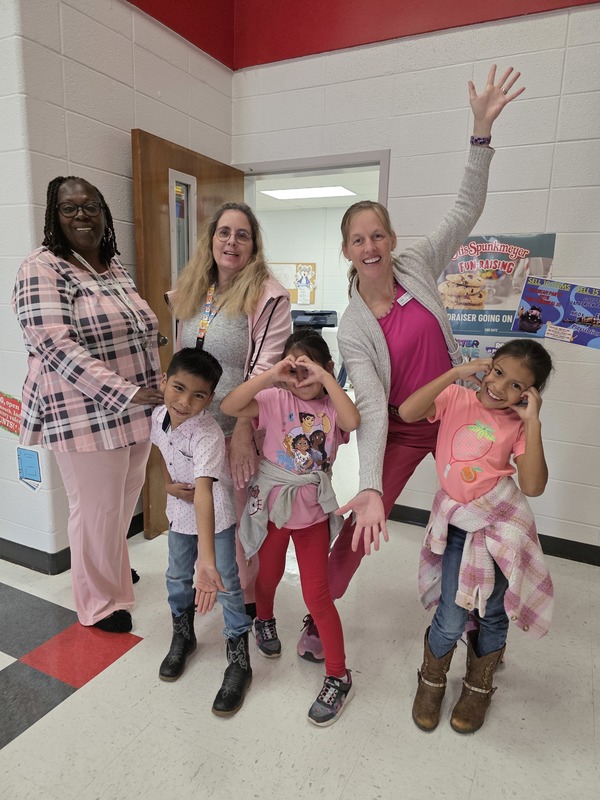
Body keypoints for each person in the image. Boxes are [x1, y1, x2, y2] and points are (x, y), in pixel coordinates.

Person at [296, 65, 527, 661]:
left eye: (379, 235)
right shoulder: (352, 327)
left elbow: (466, 208)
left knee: (480, 517)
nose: (370, 247)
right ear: (345, 250)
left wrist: (480, 132)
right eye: (358, 240)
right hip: (399, 426)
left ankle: (475, 617)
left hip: (457, 416)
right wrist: (370, 486)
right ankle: (317, 615)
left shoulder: (419, 266)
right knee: (360, 525)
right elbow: (372, 407)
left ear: (392, 240)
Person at [12, 176, 163, 633]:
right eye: (69, 207)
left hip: (137, 408)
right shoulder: (43, 266)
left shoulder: (111, 265)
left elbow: (134, 327)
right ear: (52, 216)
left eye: (91, 206)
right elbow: (53, 345)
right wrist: (127, 392)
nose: (82, 215)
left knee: (122, 501)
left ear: (105, 213)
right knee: (95, 509)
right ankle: (99, 602)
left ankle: (110, 569)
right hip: (82, 411)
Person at [398, 339, 554, 733]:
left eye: (518, 385)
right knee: (450, 616)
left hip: (500, 530)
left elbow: (533, 486)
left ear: (530, 394)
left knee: (493, 613)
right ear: (488, 365)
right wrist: (454, 373)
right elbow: (408, 411)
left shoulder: (519, 425)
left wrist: (533, 422)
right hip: (457, 528)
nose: (500, 387)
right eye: (499, 372)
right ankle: (431, 678)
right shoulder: (455, 396)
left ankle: (477, 686)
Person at [221, 329, 360, 726]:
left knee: (317, 596)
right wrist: (272, 375)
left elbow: (352, 419)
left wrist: (327, 378)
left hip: (313, 513)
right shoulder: (274, 398)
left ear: (326, 369)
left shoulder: (333, 407)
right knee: (268, 574)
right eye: (294, 369)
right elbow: (231, 406)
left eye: (309, 370)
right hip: (273, 507)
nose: (301, 379)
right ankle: (263, 618)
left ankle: (338, 674)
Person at [168, 202, 292, 619]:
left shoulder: (267, 295)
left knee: (238, 527)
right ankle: (209, 592)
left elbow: (266, 371)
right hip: (193, 430)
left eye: (242, 234)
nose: (231, 242)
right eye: (224, 232)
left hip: (234, 430)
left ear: (254, 244)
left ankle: (252, 608)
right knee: (196, 516)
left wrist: (242, 431)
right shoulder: (195, 288)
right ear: (211, 238)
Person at [151, 348, 252, 716]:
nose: (184, 401)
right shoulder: (158, 416)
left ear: (210, 399)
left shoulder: (207, 434)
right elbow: (161, 451)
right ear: (164, 382)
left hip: (214, 517)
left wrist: (206, 561)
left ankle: (239, 659)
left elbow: (206, 494)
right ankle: (183, 634)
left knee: (226, 583)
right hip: (179, 514)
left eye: (198, 395)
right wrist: (166, 482)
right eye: (178, 388)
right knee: (177, 577)